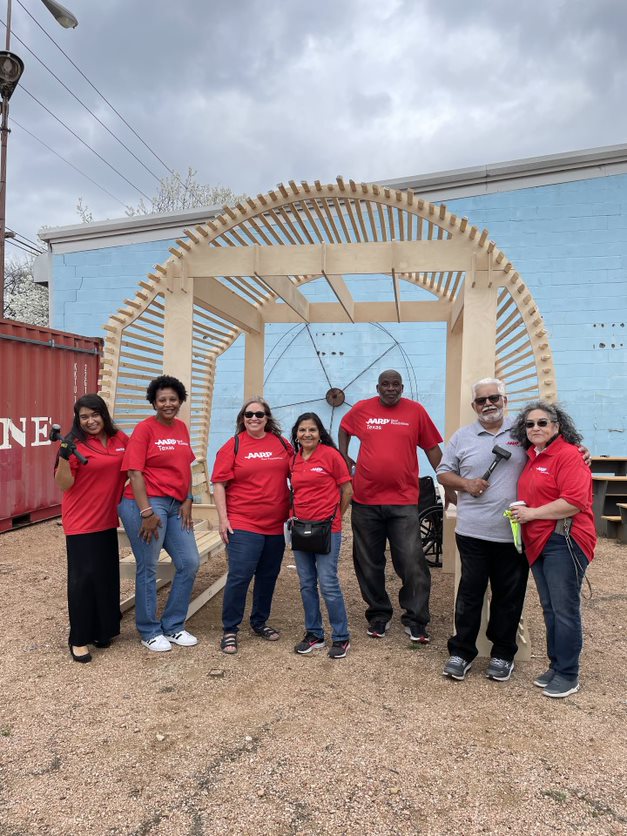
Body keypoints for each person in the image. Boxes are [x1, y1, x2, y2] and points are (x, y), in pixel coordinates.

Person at [338, 369, 449, 643]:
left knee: (412, 561)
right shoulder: (362, 409)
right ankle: (378, 613)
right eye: (385, 384)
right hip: (365, 501)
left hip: (403, 502)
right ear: (378, 388)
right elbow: (344, 428)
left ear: (402, 387)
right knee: (368, 561)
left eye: (395, 384)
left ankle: (416, 618)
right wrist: (344, 457)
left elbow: (432, 449)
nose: (390, 388)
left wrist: (447, 480)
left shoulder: (416, 412)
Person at [437, 378, 529, 682]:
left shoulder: (523, 432)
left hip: (513, 534)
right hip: (472, 532)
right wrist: (466, 484)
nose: (488, 404)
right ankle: (461, 652)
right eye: (481, 400)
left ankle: (503, 654)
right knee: (470, 593)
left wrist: (578, 449)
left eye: (494, 398)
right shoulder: (462, 437)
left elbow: (555, 449)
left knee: (508, 595)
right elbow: (443, 472)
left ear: (505, 399)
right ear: (474, 405)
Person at [509, 400, 596, 699]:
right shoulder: (532, 455)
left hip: (564, 540)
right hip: (540, 542)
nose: (535, 428)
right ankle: (556, 665)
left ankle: (569, 673)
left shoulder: (569, 455)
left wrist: (531, 514)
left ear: (556, 426)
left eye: (542, 422)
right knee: (550, 608)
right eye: (530, 424)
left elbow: (574, 502)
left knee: (565, 609)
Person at [118, 375, 200, 653]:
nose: (168, 404)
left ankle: (174, 625)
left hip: (176, 505)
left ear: (180, 401)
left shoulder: (181, 428)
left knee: (189, 562)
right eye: (162, 399)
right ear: (153, 402)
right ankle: (149, 630)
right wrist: (146, 511)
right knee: (148, 566)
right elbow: (134, 472)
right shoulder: (144, 429)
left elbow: (185, 466)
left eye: (173, 399)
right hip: (146, 503)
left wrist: (188, 498)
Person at [212, 397, 293, 655]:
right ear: (242, 418)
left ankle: (259, 622)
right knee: (240, 576)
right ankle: (230, 629)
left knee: (268, 576)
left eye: (259, 414)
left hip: (276, 525)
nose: (254, 419)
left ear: (267, 417)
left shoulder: (282, 444)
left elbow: (298, 475)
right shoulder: (233, 446)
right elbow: (219, 485)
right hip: (244, 523)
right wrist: (224, 520)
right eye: (249, 415)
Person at [54, 394, 128, 663]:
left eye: (94, 414)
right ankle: (79, 639)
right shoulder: (72, 443)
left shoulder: (120, 440)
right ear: (77, 419)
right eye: (84, 416)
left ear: (104, 414)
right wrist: (63, 456)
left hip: (107, 518)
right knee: (82, 580)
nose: (90, 421)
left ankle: (103, 630)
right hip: (81, 522)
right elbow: (63, 484)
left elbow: (134, 470)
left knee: (106, 576)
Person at [290, 412, 353, 659]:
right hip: (300, 528)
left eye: (312, 430)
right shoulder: (293, 460)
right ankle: (314, 634)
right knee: (306, 583)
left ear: (320, 434)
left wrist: (336, 516)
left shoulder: (331, 456)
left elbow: (347, 490)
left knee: (328, 583)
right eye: (302, 430)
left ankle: (341, 637)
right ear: (296, 433)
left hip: (327, 529)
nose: (307, 434)